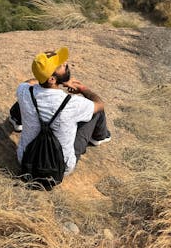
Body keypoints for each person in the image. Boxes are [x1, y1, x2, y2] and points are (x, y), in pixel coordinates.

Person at [10, 46, 111, 175]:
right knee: (95, 111)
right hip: (59, 168)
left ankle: (16, 119)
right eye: (60, 65)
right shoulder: (72, 103)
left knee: (27, 99)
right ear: (52, 79)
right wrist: (83, 89)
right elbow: (100, 104)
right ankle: (99, 137)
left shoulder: (23, 90)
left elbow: (29, 82)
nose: (65, 63)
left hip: (26, 160)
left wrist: (52, 79)